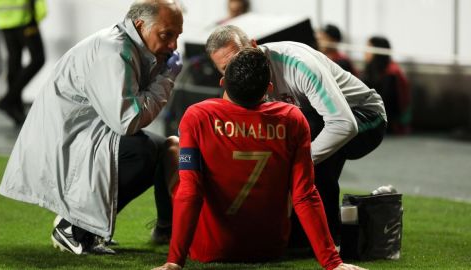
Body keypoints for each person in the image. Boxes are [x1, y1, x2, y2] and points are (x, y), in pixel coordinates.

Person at [153, 48, 366, 270]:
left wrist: (174, 261)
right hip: (270, 248)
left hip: (208, 248)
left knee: (172, 147)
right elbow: (305, 195)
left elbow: (191, 191)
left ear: (223, 81)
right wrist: (333, 263)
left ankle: (163, 227)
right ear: (269, 88)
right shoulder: (292, 118)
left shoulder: (198, 116)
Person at [0, 0, 183, 255]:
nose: (173, 44)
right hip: (63, 144)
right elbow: (127, 121)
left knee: (165, 148)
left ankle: (166, 229)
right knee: (142, 152)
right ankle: (74, 225)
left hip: (84, 133)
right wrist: (166, 78)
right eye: (167, 35)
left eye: (177, 36)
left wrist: (161, 70)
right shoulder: (113, 50)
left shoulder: (130, 45)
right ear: (140, 25)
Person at [204, 25, 387, 248]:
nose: (239, 70)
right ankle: (298, 230)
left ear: (254, 45)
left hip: (365, 116)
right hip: (318, 120)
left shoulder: (298, 64)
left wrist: (296, 162)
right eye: (227, 69)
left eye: (240, 58)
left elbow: (343, 124)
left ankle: (327, 235)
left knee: (311, 138)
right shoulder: (237, 82)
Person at [0, 0, 46, 126]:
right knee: (38, 59)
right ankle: (8, 100)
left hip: (3, 18)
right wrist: (37, 14)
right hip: (24, 18)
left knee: (14, 61)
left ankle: (16, 110)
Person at [362, 36, 411, 135]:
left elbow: (388, 101)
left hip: (390, 119)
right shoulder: (370, 69)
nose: (365, 51)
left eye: (369, 47)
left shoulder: (392, 72)